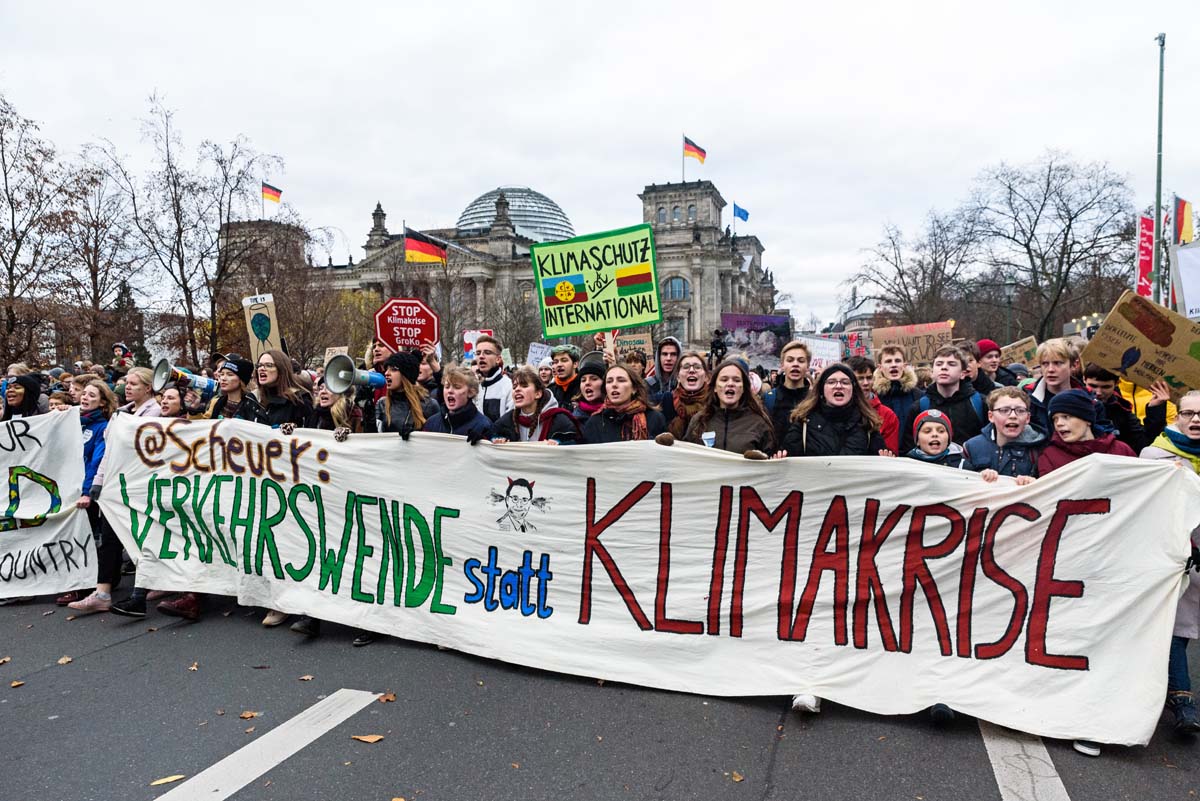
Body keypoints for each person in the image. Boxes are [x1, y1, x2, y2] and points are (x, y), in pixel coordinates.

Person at [1140, 390, 1200, 736]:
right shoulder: (1155, 455)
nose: (1195, 420)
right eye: (1188, 413)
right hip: (1170, 557)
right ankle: (1181, 699)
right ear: (1176, 416)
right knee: (1175, 628)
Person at [64, 380, 121, 614]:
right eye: (83, 394)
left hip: (90, 490)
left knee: (95, 537)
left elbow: (96, 460)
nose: (85, 398)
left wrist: (88, 491)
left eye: (91, 395)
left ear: (103, 402)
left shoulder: (102, 427)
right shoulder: (71, 423)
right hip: (71, 490)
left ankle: (98, 583)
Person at [783, 364, 889, 458]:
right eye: (831, 382)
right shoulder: (803, 424)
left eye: (845, 382)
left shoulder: (868, 425)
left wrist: (886, 460)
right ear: (821, 389)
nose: (838, 386)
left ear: (853, 389)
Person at [900, 346, 985, 452]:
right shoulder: (919, 407)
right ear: (932, 372)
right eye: (939, 364)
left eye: (951, 364)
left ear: (963, 373)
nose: (944, 367)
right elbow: (908, 448)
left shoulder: (980, 403)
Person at [684, 359, 775, 454]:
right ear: (715, 387)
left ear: (743, 387)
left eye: (736, 380)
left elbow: (770, 463)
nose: (730, 384)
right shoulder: (699, 421)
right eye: (724, 380)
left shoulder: (759, 423)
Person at [1037, 389, 1136, 475]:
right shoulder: (1049, 456)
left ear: (1087, 419)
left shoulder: (1121, 450)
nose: (1058, 423)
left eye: (1066, 417)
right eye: (1055, 419)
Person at [963, 387, 1044, 483]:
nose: (1013, 416)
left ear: (1028, 418)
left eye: (1020, 411)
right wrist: (980, 476)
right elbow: (962, 482)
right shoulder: (971, 447)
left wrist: (1035, 482)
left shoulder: (1040, 448)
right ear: (991, 416)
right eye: (1004, 410)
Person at [1083, 365, 1168, 454]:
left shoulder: (1122, 410)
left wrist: (1155, 409)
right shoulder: (1071, 404)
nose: (1098, 392)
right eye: (1093, 386)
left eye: (1106, 387)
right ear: (1084, 379)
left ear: (1117, 383)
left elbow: (1143, 444)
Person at [492, 366, 581, 444]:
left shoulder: (559, 420)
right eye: (514, 387)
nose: (517, 389)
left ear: (538, 394)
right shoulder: (506, 421)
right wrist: (497, 440)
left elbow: (575, 444)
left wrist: (560, 444)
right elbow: (490, 438)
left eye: (524, 386)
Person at [581, 363, 667, 443]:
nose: (614, 385)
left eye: (621, 380)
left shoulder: (654, 418)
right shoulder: (595, 422)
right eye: (609, 381)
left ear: (634, 388)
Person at [374, 351, 439, 436]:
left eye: (393, 369)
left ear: (406, 375)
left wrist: (415, 436)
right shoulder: (382, 403)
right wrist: (369, 419)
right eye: (387, 369)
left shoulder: (429, 405)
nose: (386, 373)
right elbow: (374, 439)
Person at [1027, 339, 1082, 436]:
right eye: (1045, 364)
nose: (1050, 370)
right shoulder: (1027, 400)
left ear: (1074, 365)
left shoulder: (1090, 400)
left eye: (1058, 363)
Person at [763, 341, 812, 447]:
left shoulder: (816, 399)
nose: (795, 364)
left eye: (801, 361)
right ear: (782, 365)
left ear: (807, 366)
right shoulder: (768, 399)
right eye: (790, 360)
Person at [424, 366, 494, 439]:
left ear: (471, 392)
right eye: (447, 386)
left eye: (457, 387)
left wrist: (483, 440)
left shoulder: (483, 426)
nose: (450, 391)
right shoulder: (431, 423)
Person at [848, 356, 899, 454]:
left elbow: (891, 454)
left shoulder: (887, 415)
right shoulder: (838, 410)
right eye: (860, 378)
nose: (866, 383)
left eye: (869, 378)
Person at [659, 351, 709, 439]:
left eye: (697, 367)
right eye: (686, 367)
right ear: (678, 376)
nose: (692, 370)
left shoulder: (714, 402)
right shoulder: (667, 401)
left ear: (705, 376)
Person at [873, 345, 924, 424]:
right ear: (880, 367)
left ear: (904, 365)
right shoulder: (873, 396)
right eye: (888, 361)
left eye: (897, 361)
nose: (894, 365)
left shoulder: (919, 396)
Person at [905, 409, 969, 468]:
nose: (934, 434)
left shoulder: (962, 466)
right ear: (917, 440)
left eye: (941, 431)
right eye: (927, 431)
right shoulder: (906, 466)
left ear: (948, 439)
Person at [471, 335, 513, 423]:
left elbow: (510, 422)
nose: (481, 356)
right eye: (478, 353)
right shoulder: (474, 387)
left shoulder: (509, 386)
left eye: (487, 352)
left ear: (498, 359)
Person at [206, 355, 257, 420]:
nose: (223, 378)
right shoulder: (218, 402)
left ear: (241, 380)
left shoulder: (252, 405)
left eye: (230, 375)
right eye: (222, 374)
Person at [571, 352, 607, 427]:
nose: (587, 383)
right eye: (583, 380)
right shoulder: (573, 419)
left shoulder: (616, 414)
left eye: (594, 379)